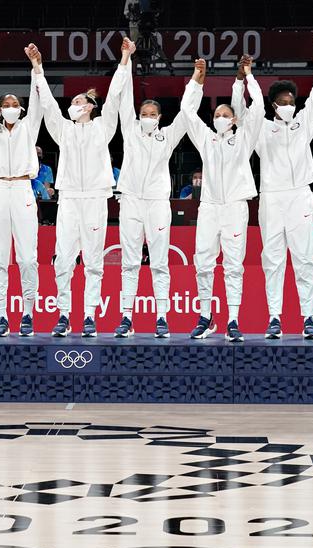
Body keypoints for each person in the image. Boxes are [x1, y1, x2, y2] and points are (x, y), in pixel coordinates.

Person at [233, 34, 313, 340]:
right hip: (272, 198)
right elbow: (240, 111)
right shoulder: (261, 127)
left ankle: (309, 317)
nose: (290, 105)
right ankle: (274, 316)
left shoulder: (304, 123)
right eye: (284, 102)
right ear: (274, 105)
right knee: (272, 259)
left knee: (305, 258)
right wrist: (241, 80)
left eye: (292, 101)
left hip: (301, 193)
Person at [34, 37, 131, 337]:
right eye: (72, 103)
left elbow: (114, 98)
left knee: (93, 260)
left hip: (96, 198)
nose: (73, 106)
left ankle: (89, 315)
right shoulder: (63, 129)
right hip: (70, 199)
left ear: (90, 106)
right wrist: (38, 68)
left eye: (78, 102)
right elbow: (48, 105)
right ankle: (64, 314)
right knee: (63, 258)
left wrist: (124, 60)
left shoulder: (104, 126)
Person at [182, 55, 264, 342]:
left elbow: (260, 107)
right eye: (217, 114)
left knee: (233, 265)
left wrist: (247, 76)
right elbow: (186, 111)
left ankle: (233, 319)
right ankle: (206, 316)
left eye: (225, 114)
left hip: (235, 207)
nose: (220, 118)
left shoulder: (244, 138)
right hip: (209, 208)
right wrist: (196, 79)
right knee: (203, 262)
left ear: (235, 119)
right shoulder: (206, 138)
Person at [112, 40, 188, 339]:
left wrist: (195, 82)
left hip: (157, 202)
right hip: (130, 200)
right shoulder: (129, 130)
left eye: (152, 113)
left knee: (159, 262)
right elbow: (124, 96)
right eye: (143, 112)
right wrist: (126, 57)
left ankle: (161, 318)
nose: (147, 116)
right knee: (130, 262)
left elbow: (186, 114)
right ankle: (126, 318)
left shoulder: (167, 137)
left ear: (159, 118)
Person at [0, 44, 44, 337]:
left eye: (15, 104)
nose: (11, 107)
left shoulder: (29, 126)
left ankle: (28, 312)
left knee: (28, 257)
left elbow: (38, 99)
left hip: (22, 189)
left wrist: (36, 67)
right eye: (6, 104)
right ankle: (2, 314)